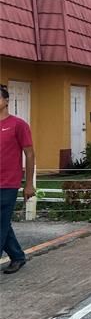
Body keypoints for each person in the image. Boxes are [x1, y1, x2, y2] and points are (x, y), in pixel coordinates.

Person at [0, 84, 34, 274]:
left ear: (6, 101)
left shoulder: (18, 125)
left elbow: (29, 154)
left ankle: (17, 257)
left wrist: (28, 184)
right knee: (3, 223)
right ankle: (17, 256)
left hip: (8, 183)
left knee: (0, 222)